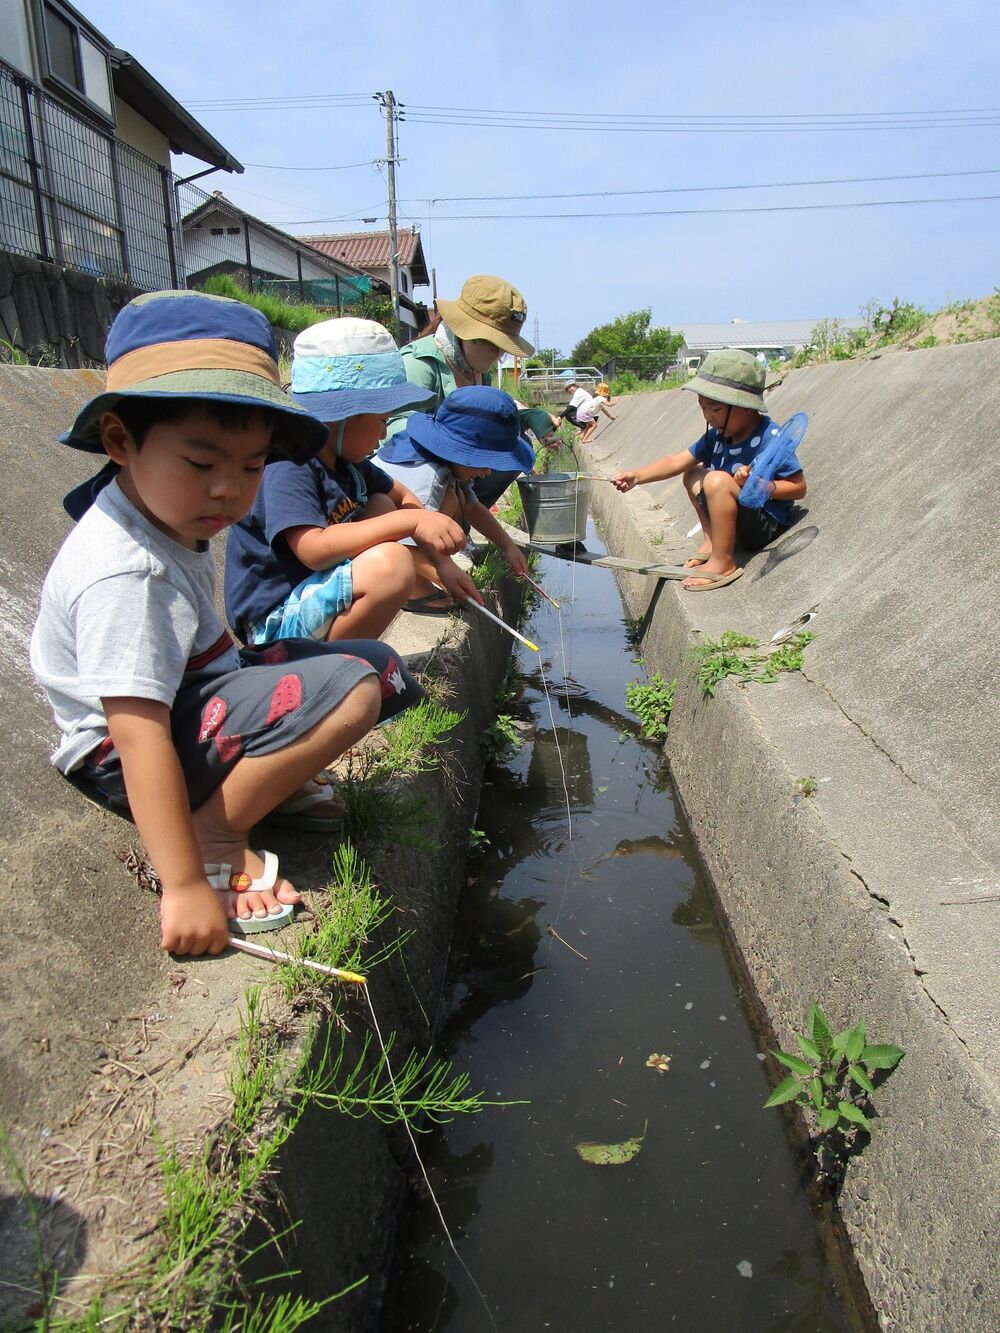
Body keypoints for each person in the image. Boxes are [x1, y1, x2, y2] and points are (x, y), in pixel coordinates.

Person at [30, 290, 424, 956]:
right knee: (354, 689)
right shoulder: (127, 570)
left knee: (384, 672)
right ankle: (214, 833)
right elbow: (135, 728)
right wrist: (184, 881)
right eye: (202, 464)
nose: (228, 491)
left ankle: (255, 789)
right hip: (124, 754)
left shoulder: (163, 512)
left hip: (196, 704)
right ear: (121, 440)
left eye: (249, 468)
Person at [225, 317, 471, 643]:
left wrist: (442, 563)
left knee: (382, 503)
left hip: (313, 593)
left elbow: (402, 497)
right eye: (382, 420)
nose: (384, 433)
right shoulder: (288, 463)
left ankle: (345, 654)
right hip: (274, 621)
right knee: (392, 565)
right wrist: (411, 522)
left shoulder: (347, 464)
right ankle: (330, 666)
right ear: (346, 415)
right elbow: (314, 550)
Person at [612, 348, 806, 592]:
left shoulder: (771, 437)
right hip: (736, 519)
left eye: (715, 410)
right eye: (703, 409)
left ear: (745, 406)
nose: (708, 417)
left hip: (762, 523)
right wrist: (638, 476)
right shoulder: (716, 436)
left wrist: (762, 486)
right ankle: (712, 541)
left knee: (714, 480)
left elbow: (799, 488)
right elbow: (676, 461)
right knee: (692, 473)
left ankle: (723, 562)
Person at [383, 274, 535, 508]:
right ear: (466, 333)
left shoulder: (479, 370)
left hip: (458, 471)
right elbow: (395, 434)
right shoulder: (419, 364)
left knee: (515, 447)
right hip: (415, 473)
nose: (498, 357)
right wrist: (451, 446)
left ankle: (465, 514)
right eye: (495, 346)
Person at [376, 387, 532, 610]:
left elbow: (472, 507)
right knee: (448, 501)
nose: (488, 471)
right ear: (460, 450)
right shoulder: (426, 476)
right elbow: (406, 542)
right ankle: (413, 590)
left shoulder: (445, 460)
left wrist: (508, 546)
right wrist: (446, 574)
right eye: (485, 461)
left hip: (401, 530)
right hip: (377, 541)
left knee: (455, 497)